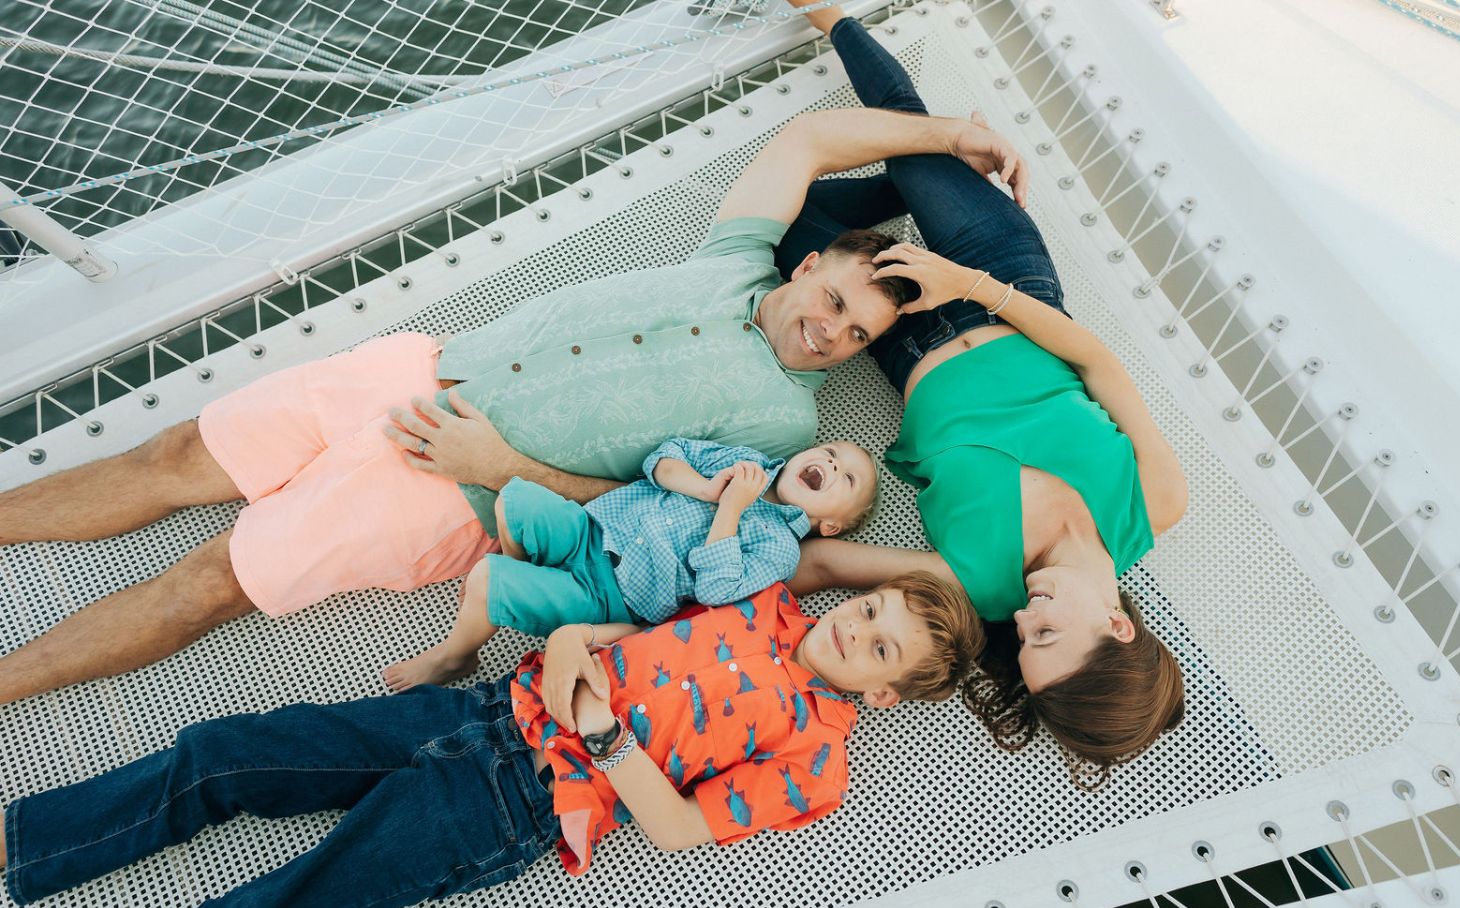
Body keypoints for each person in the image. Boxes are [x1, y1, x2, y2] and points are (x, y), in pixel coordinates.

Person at [0, 97, 1032, 704]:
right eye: (840, 301)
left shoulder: (784, 426)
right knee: (174, 455)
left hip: (452, 483)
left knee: (210, 579)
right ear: (812, 266)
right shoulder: (736, 255)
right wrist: (953, 135)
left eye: (857, 336)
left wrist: (500, 471)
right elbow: (807, 140)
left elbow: (638, 501)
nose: (834, 332)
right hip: (411, 369)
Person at [1, 575, 984, 908]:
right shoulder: (768, 600)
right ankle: (33, 842)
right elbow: (614, 635)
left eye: (879, 644)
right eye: (868, 608)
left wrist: (600, 737)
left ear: (886, 693)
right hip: (479, 711)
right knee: (222, 751)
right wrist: (564, 643)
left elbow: (681, 827)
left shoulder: (818, 759)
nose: (854, 626)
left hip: (508, 802)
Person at [779, 4, 1188, 787]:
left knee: (786, 212)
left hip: (895, 334)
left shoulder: (975, 588)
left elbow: (823, 562)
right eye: (1048, 634)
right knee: (911, 129)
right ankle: (832, 14)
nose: (1024, 618)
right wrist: (967, 284)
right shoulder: (1156, 503)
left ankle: (906, 191)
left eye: (1022, 644)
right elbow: (1100, 364)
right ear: (1115, 625)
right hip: (1003, 282)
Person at [383, 437, 878, 690]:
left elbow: (717, 589)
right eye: (831, 452)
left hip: (613, 595)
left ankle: (457, 654)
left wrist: (730, 509)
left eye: (847, 478)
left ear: (829, 526)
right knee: (516, 499)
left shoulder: (780, 548)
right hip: (592, 529)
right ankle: (527, 586)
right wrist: (706, 488)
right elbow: (665, 456)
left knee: (488, 577)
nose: (832, 464)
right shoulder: (745, 460)